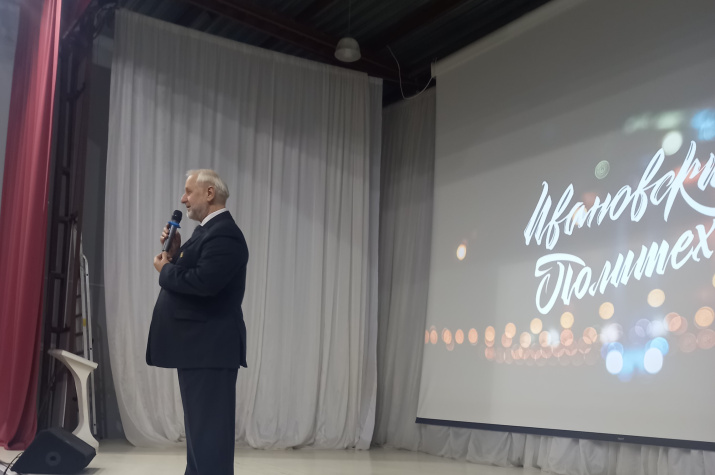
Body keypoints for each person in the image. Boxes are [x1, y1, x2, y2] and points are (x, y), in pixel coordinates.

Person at [147, 169, 248, 475]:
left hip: (210, 350)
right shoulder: (207, 232)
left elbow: (204, 284)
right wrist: (175, 253)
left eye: (189, 191)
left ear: (209, 193)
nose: (183, 198)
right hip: (200, 350)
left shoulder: (225, 234)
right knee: (200, 439)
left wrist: (165, 270)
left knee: (209, 439)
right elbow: (197, 274)